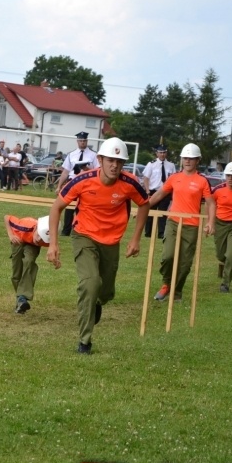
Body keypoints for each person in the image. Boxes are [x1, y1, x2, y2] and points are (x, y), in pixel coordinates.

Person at [47, 138, 150, 354]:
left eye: (119, 162)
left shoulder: (129, 183)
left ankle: (98, 302)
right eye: (110, 160)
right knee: (90, 283)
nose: (114, 166)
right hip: (84, 236)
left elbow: (144, 204)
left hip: (111, 242)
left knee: (106, 292)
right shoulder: (82, 180)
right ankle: (84, 341)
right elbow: (56, 208)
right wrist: (53, 244)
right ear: (100, 160)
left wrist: (136, 239)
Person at [148, 143, 216, 302]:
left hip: (191, 226)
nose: (188, 161)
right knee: (168, 256)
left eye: (191, 158)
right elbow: (159, 194)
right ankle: (166, 284)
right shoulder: (174, 177)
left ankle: (177, 291)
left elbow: (211, 203)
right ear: (181, 159)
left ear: (197, 160)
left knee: (185, 264)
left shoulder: (202, 181)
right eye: (185, 158)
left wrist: (210, 222)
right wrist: (144, 208)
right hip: (173, 222)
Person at [4, 214, 53, 314]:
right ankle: (20, 302)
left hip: (32, 245)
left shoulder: (45, 240)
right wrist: (11, 235)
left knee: (29, 262)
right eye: (39, 236)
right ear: (36, 229)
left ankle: (23, 297)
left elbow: (53, 245)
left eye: (42, 239)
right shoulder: (23, 225)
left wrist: (55, 258)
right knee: (16, 272)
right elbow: (6, 217)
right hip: (19, 238)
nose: (39, 240)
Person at [56, 132, 99, 236]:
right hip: (73, 181)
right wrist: (59, 186)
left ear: (87, 141)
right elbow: (66, 171)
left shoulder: (93, 155)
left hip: (87, 182)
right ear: (77, 141)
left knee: (85, 207)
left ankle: (82, 230)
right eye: (80, 140)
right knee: (69, 206)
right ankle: (66, 231)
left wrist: (86, 169)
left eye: (84, 141)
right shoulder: (71, 154)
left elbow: (97, 171)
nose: (82, 142)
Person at [211, 162, 232, 293]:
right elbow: (210, 204)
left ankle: (225, 284)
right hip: (220, 224)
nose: (230, 178)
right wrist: (210, 223)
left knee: (230, 255)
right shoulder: (218, 190)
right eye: (228, 175)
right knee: (220, 255)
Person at [141, 145, 177, 239]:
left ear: (166, 153)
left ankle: (161, 232)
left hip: (165, 192)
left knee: (163, 213)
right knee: (150, 212)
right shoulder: (151, 164)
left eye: (164, 152)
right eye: (160, 152)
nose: (162, 154)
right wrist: (147, 191)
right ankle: (148, 232)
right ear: (157, 153)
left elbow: (174, 180)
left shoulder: (171, 165)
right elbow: (146, 178)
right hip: (153, 191)